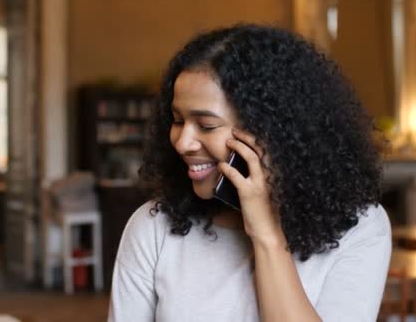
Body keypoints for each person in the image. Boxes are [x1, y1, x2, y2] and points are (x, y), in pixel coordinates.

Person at [108, 24, 392, 322]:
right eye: (178, 120)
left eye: (206, 125)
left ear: (272, 132)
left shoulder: (360, 228)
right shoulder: (153, 228)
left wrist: (266, 234)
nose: (182, 142)